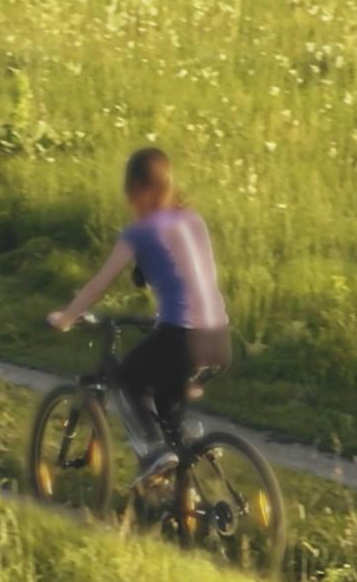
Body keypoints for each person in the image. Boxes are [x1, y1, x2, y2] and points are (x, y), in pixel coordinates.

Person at [48, 147, 231, 483]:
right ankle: (185, 485)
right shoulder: (193, 220)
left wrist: (66, 317)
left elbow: (97, 286)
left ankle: (153, 451)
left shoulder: (139, 232)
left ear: (141, 191)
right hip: (219, 337)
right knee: (166, 399)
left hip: (183, 336)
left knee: (127, 380)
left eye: (130, 193)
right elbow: (190, 278)